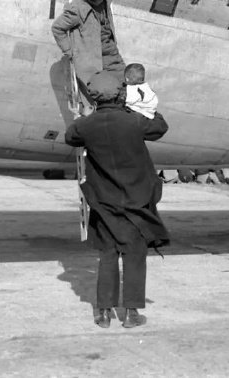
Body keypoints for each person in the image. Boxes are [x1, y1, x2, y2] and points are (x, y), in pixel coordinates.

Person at [65, 70, 170, 329]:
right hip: (136, 201)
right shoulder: (133, 121)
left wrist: (84, 116)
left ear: (94, 96)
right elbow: (160, 127)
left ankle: (103, 313)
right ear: (121, 93)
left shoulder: (85, 126)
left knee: (108, 255)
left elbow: (70, 137)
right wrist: (144, 104)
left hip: (103, 203)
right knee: (134, 255)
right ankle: (132, 314)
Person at [51, 0, 126, 92]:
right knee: (108, 92)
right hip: (95, 59)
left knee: (126, 84)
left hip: (112, 54)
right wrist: (69, 51)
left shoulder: (104, 0)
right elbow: (57, 28)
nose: (96, 1)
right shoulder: (78, 9)